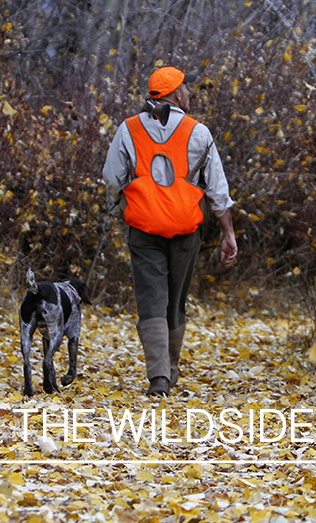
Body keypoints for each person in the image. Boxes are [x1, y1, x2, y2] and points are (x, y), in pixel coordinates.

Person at [102, 66, 238, 396]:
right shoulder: (198, 132)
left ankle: (159, 376)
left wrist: (123, 204)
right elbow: (217, 190)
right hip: (185, 229)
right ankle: (170, 368)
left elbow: (111, 178)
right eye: (187, 88)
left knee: (151, 298)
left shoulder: (129, 129)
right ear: (177, 94)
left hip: (144, 228)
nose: (190, 93)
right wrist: (228, 234)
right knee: (175, 300)